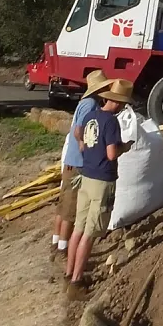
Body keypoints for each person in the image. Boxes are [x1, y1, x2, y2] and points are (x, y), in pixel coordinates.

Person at [64, 77, 133, 295]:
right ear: (119, 103)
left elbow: (83, 145)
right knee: (90, 233)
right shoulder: (111, 122)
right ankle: (76, 282)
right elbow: (112, 154)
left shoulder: (91, 116)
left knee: (78, 229)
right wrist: (126, 147)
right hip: (102, 181)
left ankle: (68, 273)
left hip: (86, 176)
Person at [50, 69, 108, 262]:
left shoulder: (84, 103)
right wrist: (86, 148)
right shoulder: (91, 105)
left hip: (70, 161)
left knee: (62, 205)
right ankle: (62, 249)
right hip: (78, 164)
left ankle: (56, 241)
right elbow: (78, 131)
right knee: (70, 209)